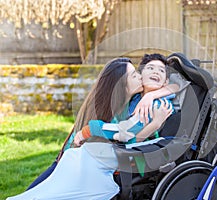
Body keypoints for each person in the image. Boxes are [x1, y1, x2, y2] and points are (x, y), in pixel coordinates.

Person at [7, 55, 175, 199]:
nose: (140, 77)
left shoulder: (138, 102)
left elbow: (176, 85)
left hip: (91, 166)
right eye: (134, 75)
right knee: (37, 193)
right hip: (73, 161)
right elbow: (123, 136)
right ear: (121, 85)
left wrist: (153, 98)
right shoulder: (108, 109)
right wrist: (89, 129)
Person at [73, 53, 175, 145]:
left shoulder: (160, 105)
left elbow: (126, 131)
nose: (156, 72)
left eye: (161, 70)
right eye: (150, 68)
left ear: (166, 81)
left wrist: (92, 129)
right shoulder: (132, 100)